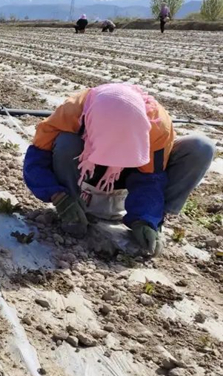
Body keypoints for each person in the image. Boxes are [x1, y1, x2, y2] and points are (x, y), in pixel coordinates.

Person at [23, 83, 214, 256]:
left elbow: (149, 178)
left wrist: (145, 217)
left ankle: (155, 220)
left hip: (126, 175)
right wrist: (58, 196)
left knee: (200, 147)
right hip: (87, 171)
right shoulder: (73, 111)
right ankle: (74, 208)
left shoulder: (157, 125)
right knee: (66, 142)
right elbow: (36, 161)